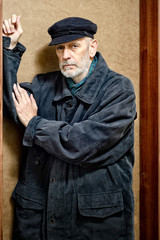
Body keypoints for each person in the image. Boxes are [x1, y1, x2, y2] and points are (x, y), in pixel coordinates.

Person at [3, 14, 136, 240]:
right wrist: (10, 48)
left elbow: (82, 144)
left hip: (95, 225)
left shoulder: (119, 91)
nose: (66, 55)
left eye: (74, 46)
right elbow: (11, 105)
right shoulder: (43, 85)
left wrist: (35, 123)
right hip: (40, 221)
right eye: (60, 48)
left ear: (92, 47)